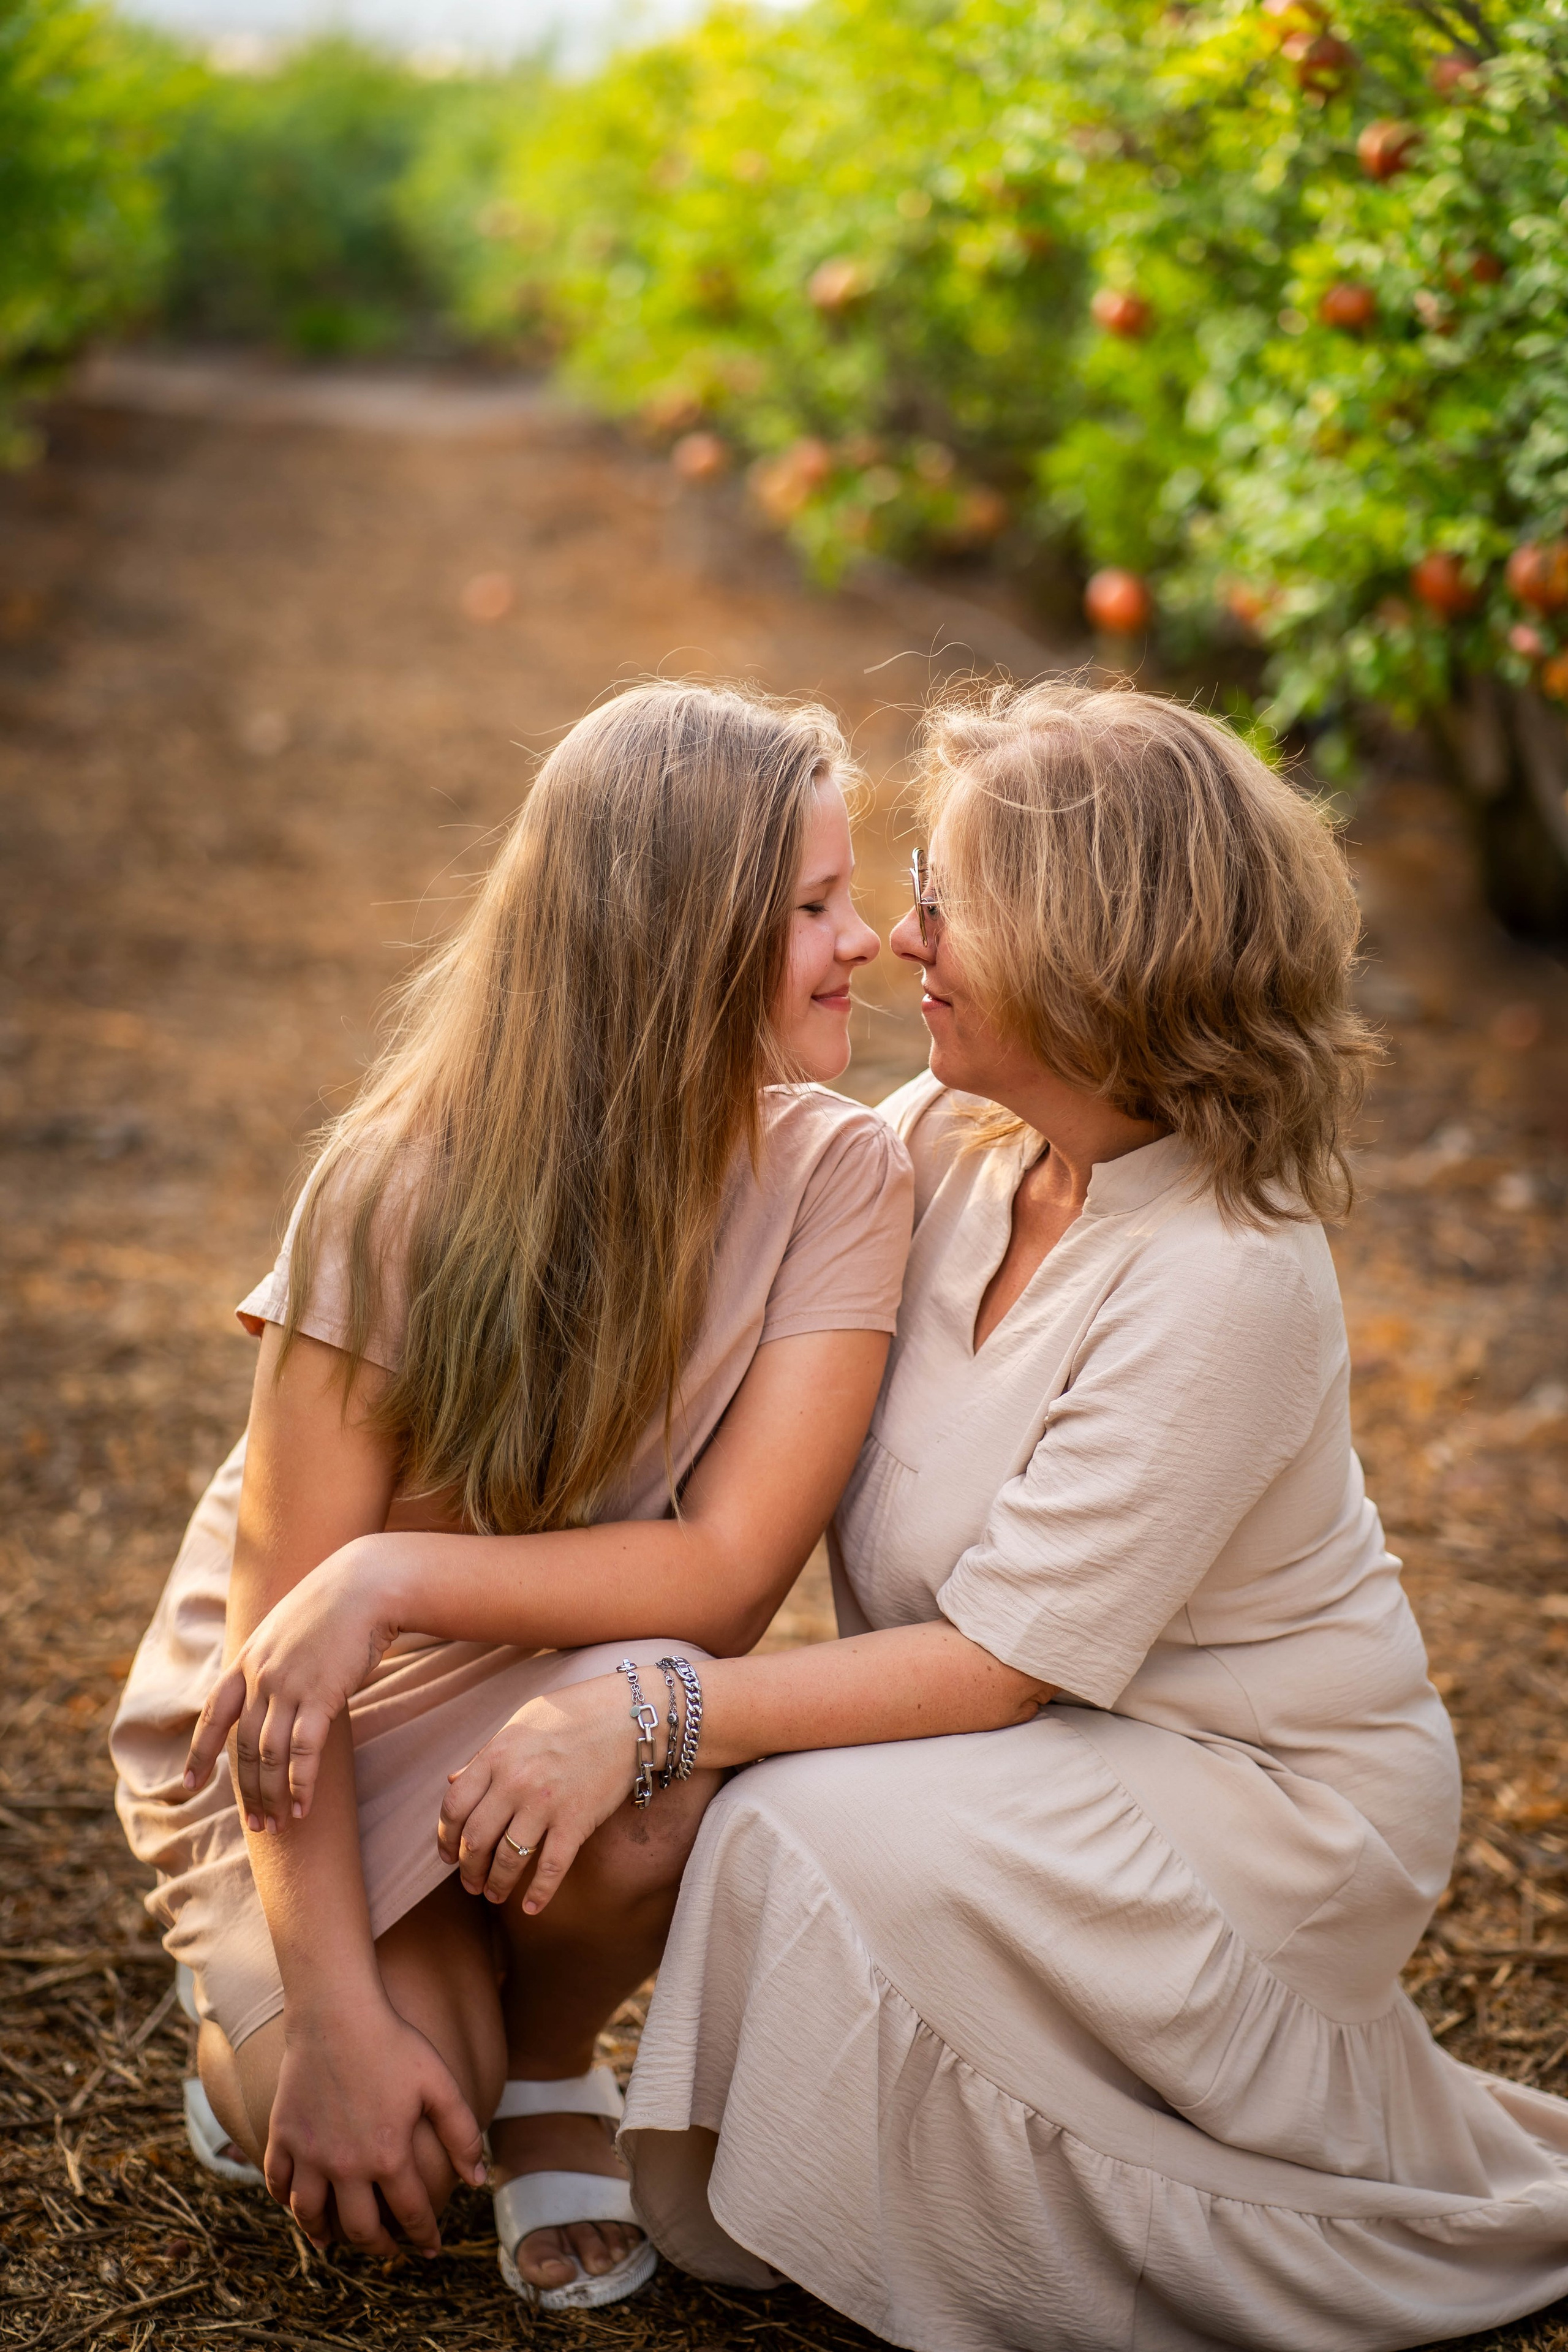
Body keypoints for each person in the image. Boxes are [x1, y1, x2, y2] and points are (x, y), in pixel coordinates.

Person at [432, 680, 1568, 2351]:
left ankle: (1075, 2246)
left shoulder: (1227, 1274)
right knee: (733, 1810)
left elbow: (1001, 1665)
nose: (900, 940)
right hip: (1025, 1747)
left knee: (773, 1827)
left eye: (948, 903)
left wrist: (653, 1703)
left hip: (1261, 1800)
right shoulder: (941, 1149)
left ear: (1086, 943)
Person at [110, 681, 913, 2310]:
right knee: (392, 2137)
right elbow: (286, 1660)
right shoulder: (393, 1191)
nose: (874, 941)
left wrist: (395, 1579)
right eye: (819, 906)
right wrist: (333, 2020)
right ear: (677, 939)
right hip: (314, 1719)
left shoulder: (843, 1177)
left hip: (537, 1670)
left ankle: (554, 2055)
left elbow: (727, 1570)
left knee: (657, 1783)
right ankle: (269, 2024)